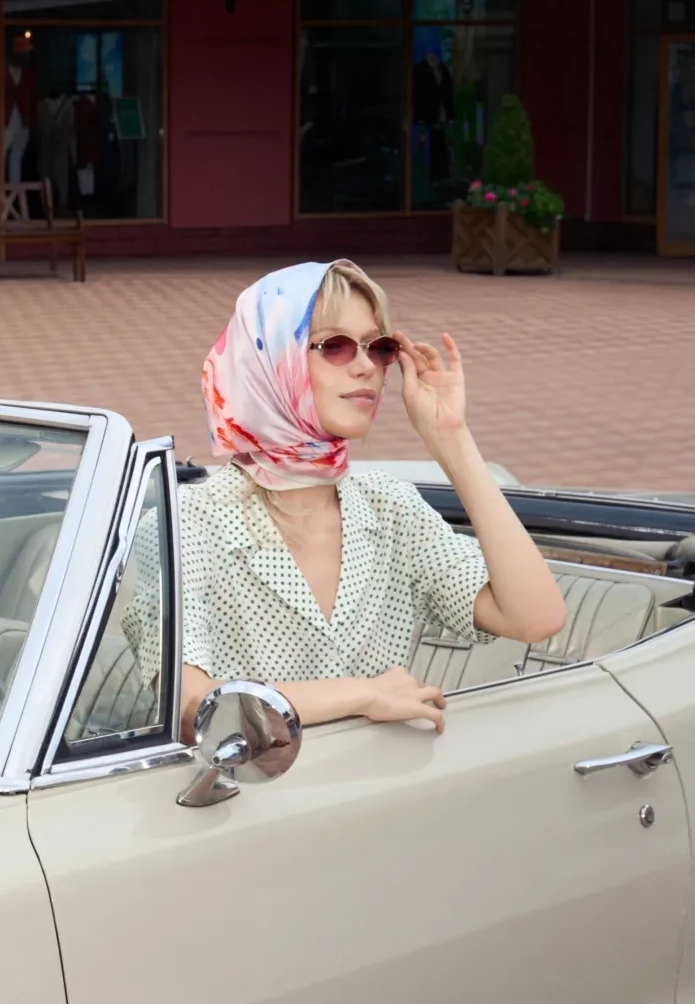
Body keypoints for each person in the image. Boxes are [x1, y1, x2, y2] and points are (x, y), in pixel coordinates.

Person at [178, 259, 565, 736]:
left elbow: (535, 618)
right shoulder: (190, 522)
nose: (365, 367)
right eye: (334, 346)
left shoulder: (389, 507)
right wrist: (361, 694)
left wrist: (451, 438)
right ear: (269, 363)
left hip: (381, 780)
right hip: (244, 782)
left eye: (378, 348)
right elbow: (192, 707)